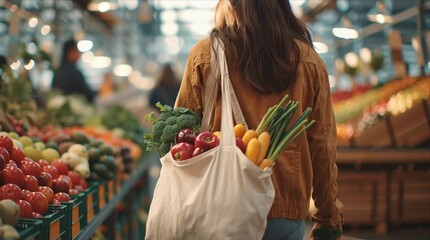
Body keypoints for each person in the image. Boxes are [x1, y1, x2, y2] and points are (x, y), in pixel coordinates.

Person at [174, 0, 343, 239]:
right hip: (285, 206)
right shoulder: (308, 60)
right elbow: (323, 147)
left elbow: (181, 135)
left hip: (219, 203)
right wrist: (328, 217)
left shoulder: (205, 55)